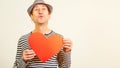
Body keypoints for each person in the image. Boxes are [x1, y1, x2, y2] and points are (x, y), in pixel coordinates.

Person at [13, 0, 72, 68]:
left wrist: (67, 51)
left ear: (49, 15)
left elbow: (65, 66)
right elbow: (15, 66)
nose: (40, 12)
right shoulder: (23, 39)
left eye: (43, 9)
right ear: (31, 16)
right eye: (36, 9)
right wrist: (23, 59)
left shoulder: (59, 39)